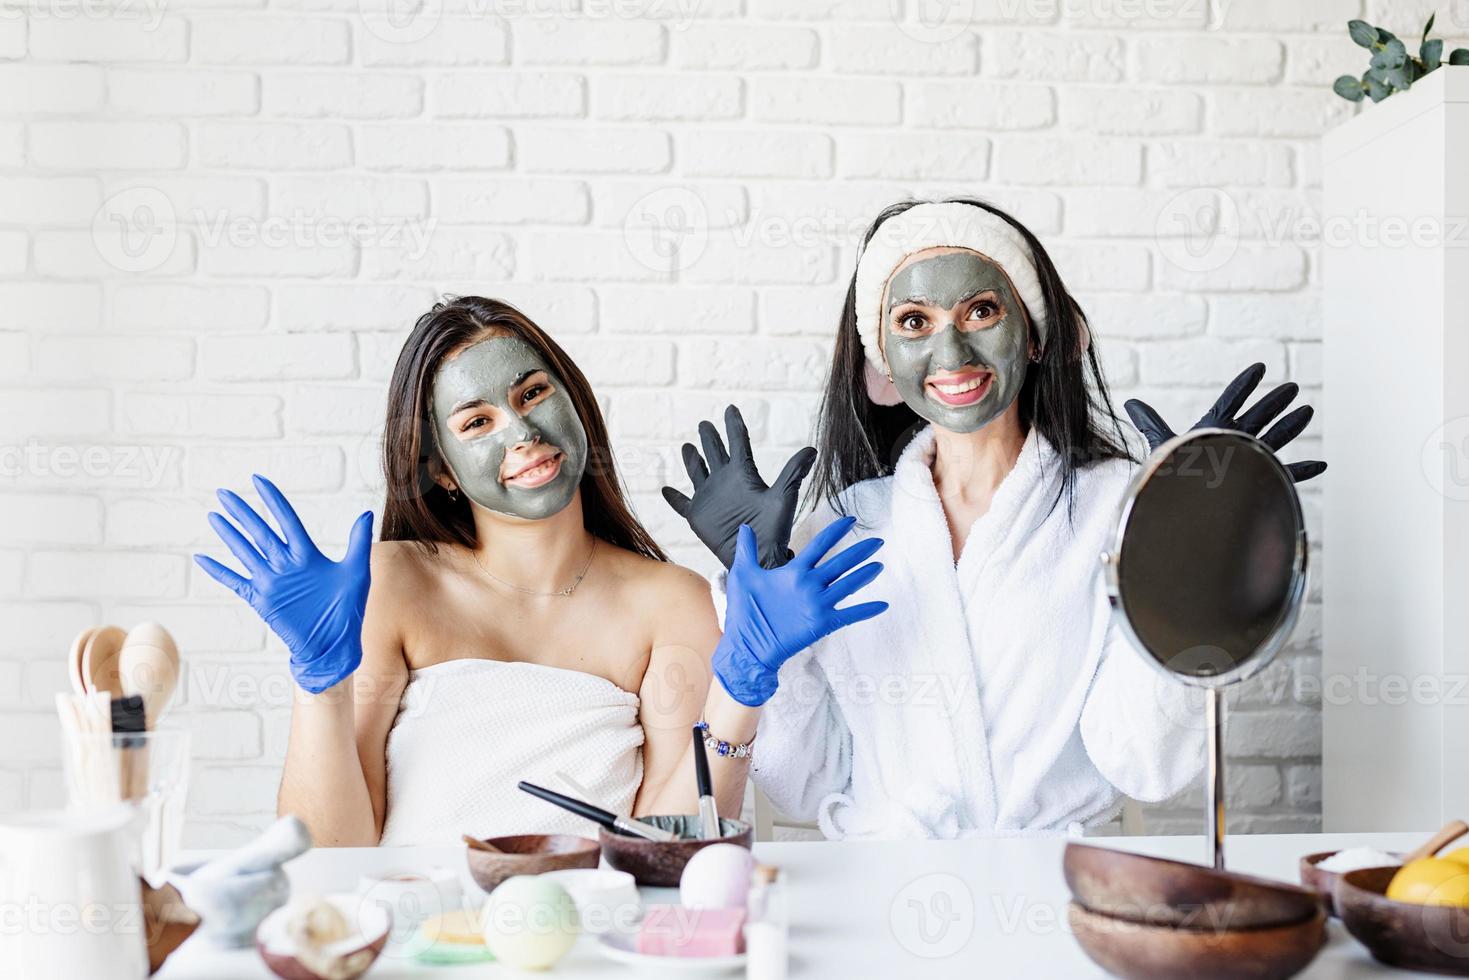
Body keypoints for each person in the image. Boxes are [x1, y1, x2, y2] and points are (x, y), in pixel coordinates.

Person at [664, 199, 1324, 840]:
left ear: (1036, 334)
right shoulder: (837, 532)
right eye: (913, 323)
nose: (949, 351)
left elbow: (1145, 766)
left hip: (1055, 888)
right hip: (884, 890)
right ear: (882, 370)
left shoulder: (1122, 508)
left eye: (980, 310)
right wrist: (758, 637)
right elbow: (811, 785)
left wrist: (1184, 579)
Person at [195, 296, 886, 846]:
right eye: (476, 422)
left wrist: (743, 689)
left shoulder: (670, 603)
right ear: (438, 469)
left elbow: (664, 851)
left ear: (574, 402)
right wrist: (319, 684)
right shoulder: (394, 585)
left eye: (531, 394)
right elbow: (330, 861)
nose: (520, 433)